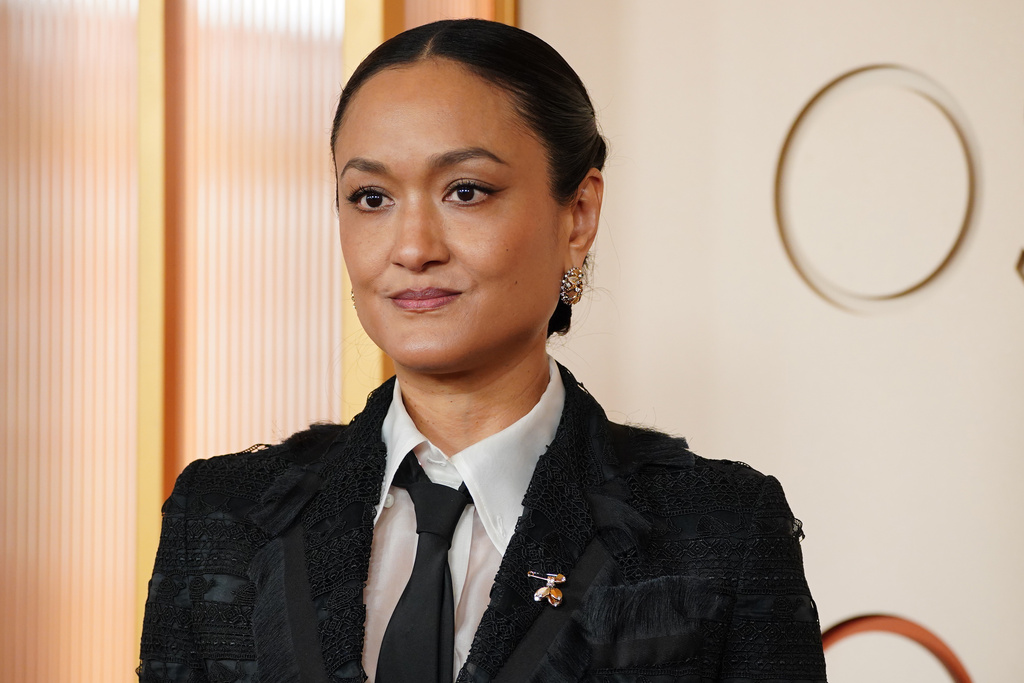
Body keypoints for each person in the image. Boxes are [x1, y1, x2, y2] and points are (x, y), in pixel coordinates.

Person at [138, 19, 826, 683]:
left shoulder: (722, 532)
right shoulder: (220, 516)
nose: (412, 248)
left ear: (578, 214)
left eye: (465, 192)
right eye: (371, 197)